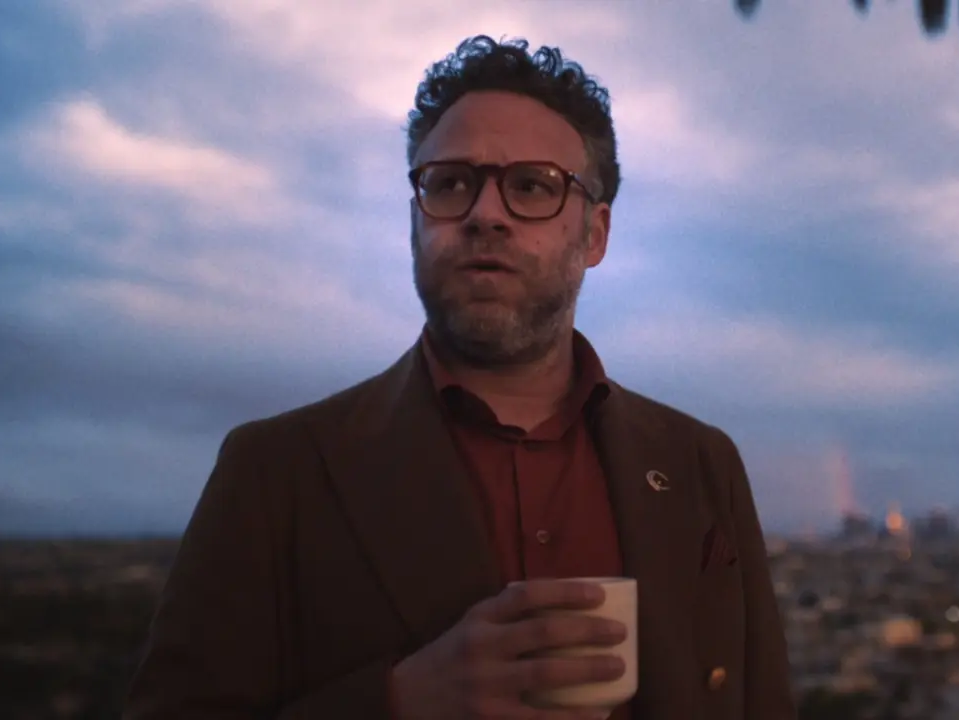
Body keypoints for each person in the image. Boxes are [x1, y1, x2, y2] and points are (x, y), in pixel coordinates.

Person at [124, 35, 794, 720]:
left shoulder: (700, 463)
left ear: (595, 235)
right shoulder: (275, 473)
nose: (485, 214)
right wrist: (399, 703)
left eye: (532, 185)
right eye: (449, 183)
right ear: (415, 221)